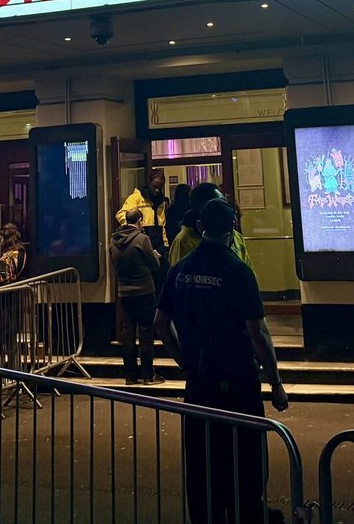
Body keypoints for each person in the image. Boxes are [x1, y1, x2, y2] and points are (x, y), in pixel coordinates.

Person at [155, 198, 288, 524]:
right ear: (233, 227)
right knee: (245, 457)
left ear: (201, 227)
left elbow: (160, 322)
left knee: (202, 459)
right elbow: (257, 332)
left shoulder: (180, 271)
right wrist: (275, 381)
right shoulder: (238, 271)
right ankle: (247, 513)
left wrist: (182, 358)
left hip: (199, 383)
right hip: (238, 380)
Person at [110, 207, 162, 384]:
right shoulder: (142, 239)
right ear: (140, 221)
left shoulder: (113, 241)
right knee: (146, 332)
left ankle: (130, 376)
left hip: (124, 292)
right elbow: (154, 265)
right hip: (144, 291)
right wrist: (156, 256)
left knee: (128, 332)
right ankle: (148, 375)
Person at [168, 183, 249, 266]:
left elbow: (248, 269)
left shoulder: (236, 237)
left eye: (223, 202)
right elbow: (180, 272)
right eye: (216, 206)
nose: (222, 208)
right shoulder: (184, 241)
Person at [116, 169, 169, 256]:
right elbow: (121, 214)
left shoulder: (161, 201)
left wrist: (166, 245)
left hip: (158, 244)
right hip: (141, 241)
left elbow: (162, 225)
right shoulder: (136, 198)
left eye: (160, 188)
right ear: (149, 184)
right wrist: (133, 229)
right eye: (155, 187)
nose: (157, 190)